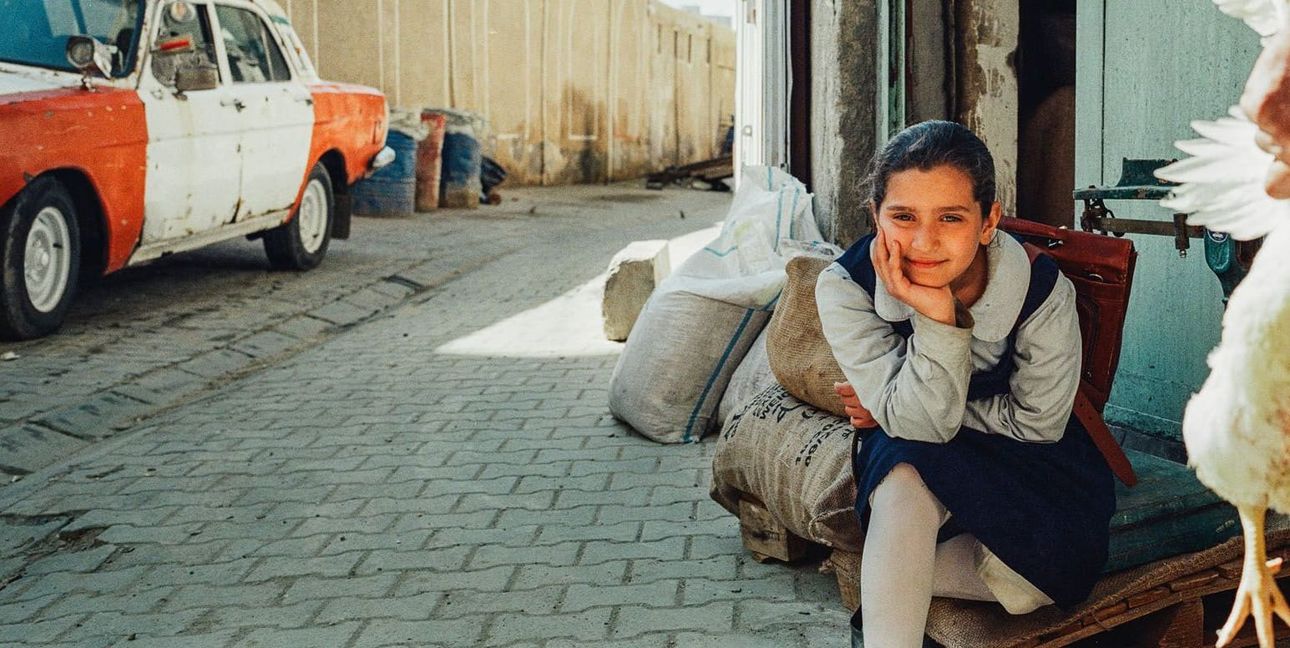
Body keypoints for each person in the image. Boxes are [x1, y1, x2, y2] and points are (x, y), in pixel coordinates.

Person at [814, 120, 1116, 647]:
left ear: (988, 221)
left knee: (1055, 570)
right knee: (906, 470)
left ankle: (893, 576)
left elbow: (1038, 423)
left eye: (950, 217)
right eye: (903, 216)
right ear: (875, 217)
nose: (924, 242)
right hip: (912, 445)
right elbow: (920, 426)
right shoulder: (846, 287)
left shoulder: (1042, 290)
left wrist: (894, 404)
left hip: (1031, 456)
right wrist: (935, 318)